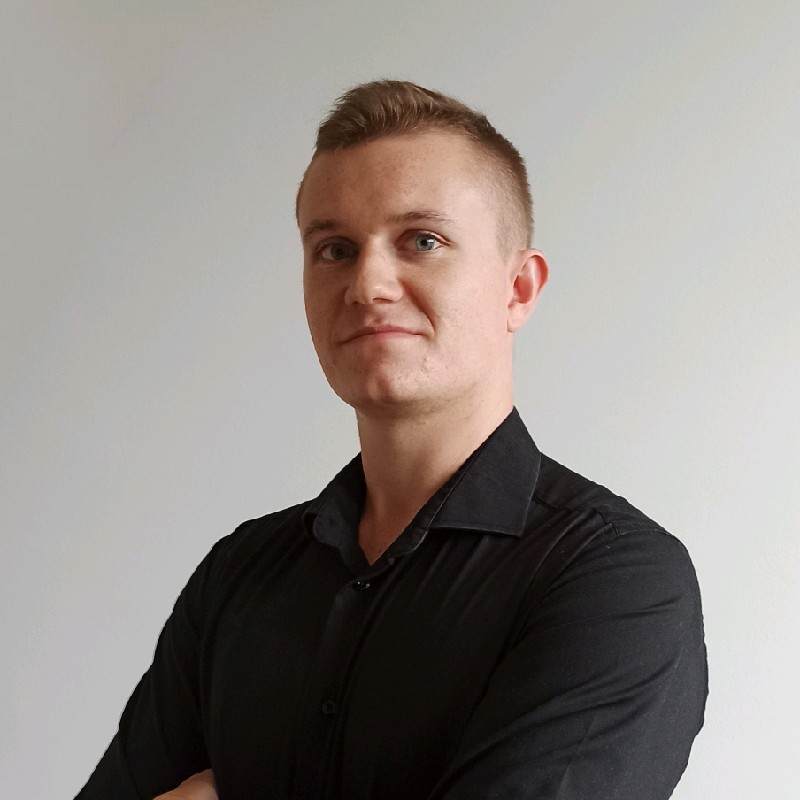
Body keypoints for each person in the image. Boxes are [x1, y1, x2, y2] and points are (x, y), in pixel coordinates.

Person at [75, 80, 707, 800]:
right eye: (335, 249)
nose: (368, 284)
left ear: (519, 289)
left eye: (423, 241)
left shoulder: (614, 579)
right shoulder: (237, 576)